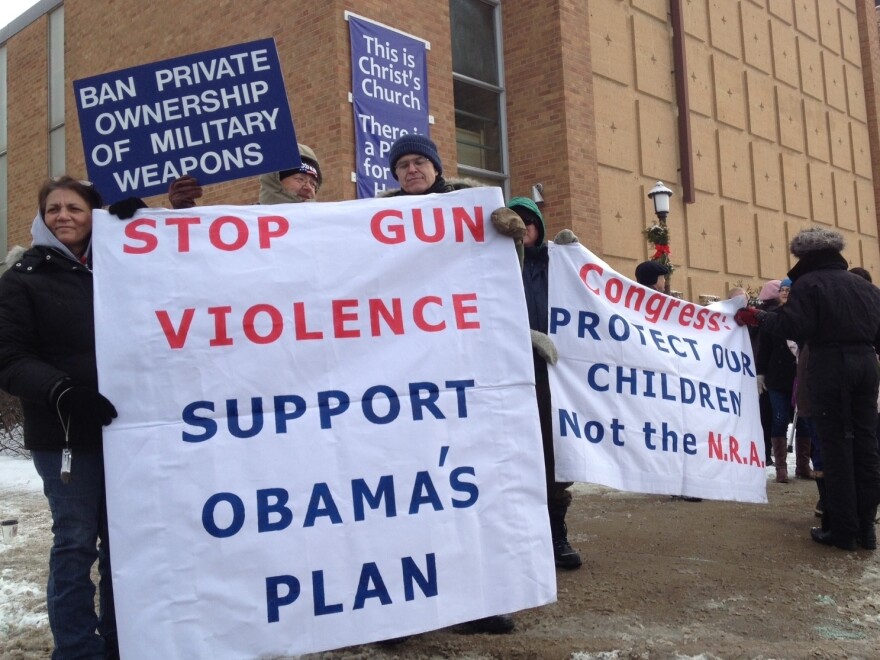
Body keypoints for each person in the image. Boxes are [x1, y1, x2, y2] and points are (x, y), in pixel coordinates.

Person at [380, 133, 524, 635]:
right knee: (400, 491)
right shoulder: (368, 222)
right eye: (402, 166)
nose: (412, 170)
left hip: (462, 374)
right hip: (397, 379)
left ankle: (477, 599)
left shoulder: (473, 213)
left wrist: (509, 235)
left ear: (437, 169)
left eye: (420, 162)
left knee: (469, 486)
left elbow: (501, 281)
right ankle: (395, 607)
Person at [0, 176, 119, 657]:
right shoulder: (22, 279)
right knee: (74, 545)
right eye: (53, 209)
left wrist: (160, 210)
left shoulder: (121, 269)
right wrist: (62, 391)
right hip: (65, 437)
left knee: (124, 548)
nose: (63, 216)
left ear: (95, 216)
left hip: (123, 433)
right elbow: (8, 357)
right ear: (42, 217)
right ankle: (76, 649)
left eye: (75, 207)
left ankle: (120, 639)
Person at [735, 227, 880, 551]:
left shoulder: (809, 284)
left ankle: (843, 529)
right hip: (867, 365)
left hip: (830, 365)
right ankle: (867, 529)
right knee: (866, 445)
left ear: (806, 257)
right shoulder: (866, 288)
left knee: (837, 446)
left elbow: (792, 326)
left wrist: (759, 316)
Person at [507, 196, 582, 570]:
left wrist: (577, 261)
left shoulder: (557, 266)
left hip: (552, 377)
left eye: (529, 223)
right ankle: (520, 538)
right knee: (515, 458)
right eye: (515, 224)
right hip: (508, 374)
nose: (524, 230)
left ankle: (556, 534)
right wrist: (523, 336)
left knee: (554, 458)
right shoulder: (494, 267)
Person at [166, 142, 323, 209]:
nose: (308, 188)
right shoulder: (245, 222)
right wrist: (185, 211)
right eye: (300, 179)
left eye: (314, 185)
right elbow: (208, 248)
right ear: (276, 180)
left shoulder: (325, 226)